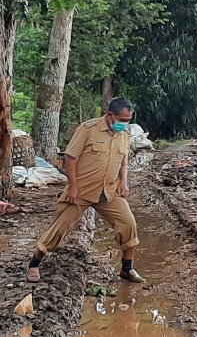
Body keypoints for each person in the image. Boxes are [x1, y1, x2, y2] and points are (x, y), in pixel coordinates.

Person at [26, 97, 145, 283]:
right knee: (60, 227)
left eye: (128, 120)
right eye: (122, 120)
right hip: (82, 190)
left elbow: (123, 161)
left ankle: (127, 269)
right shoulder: (88, 129)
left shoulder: (124, 135)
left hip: (109, 191)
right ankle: (34, 264)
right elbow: (70, 157)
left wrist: (124, 182)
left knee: (129, 224)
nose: (125, 123)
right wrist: (73, 186)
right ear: (109, 115)